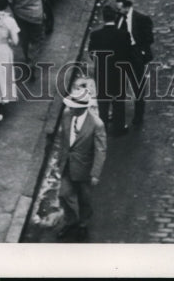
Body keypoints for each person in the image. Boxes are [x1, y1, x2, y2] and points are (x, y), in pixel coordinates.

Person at [55, 80, 107, 240]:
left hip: (85, 169)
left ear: (82, 107)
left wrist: (95, 173)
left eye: (73, 106)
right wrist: (60, 159)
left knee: (85, 199)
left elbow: (100, 150)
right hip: (67, 165)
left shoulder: (96, 124)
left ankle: (83, 224)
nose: (70, 108)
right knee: (64, 194)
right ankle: (71, 221)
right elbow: (63, 139)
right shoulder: (66, 116)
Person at [88, 5, 130, 135]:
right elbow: (127, 54)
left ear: (103, 17)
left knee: (103, 103)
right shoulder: (123, 35)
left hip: (102, 73)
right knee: (118, 102)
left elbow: (91, 53)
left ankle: (103, 128)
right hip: (118, 73)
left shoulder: (95, 35)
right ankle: (119, 128)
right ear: (115, 17)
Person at [115, 0, 154, 128]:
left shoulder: (142, 19)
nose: (118, 11)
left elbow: (149, 38)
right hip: (121, 56)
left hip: (135, 55)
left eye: (120, 9)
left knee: (138, 86)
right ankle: (118, 116)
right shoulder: (119, 18)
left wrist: (141, 52)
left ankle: (138, 116)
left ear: (127, 7)